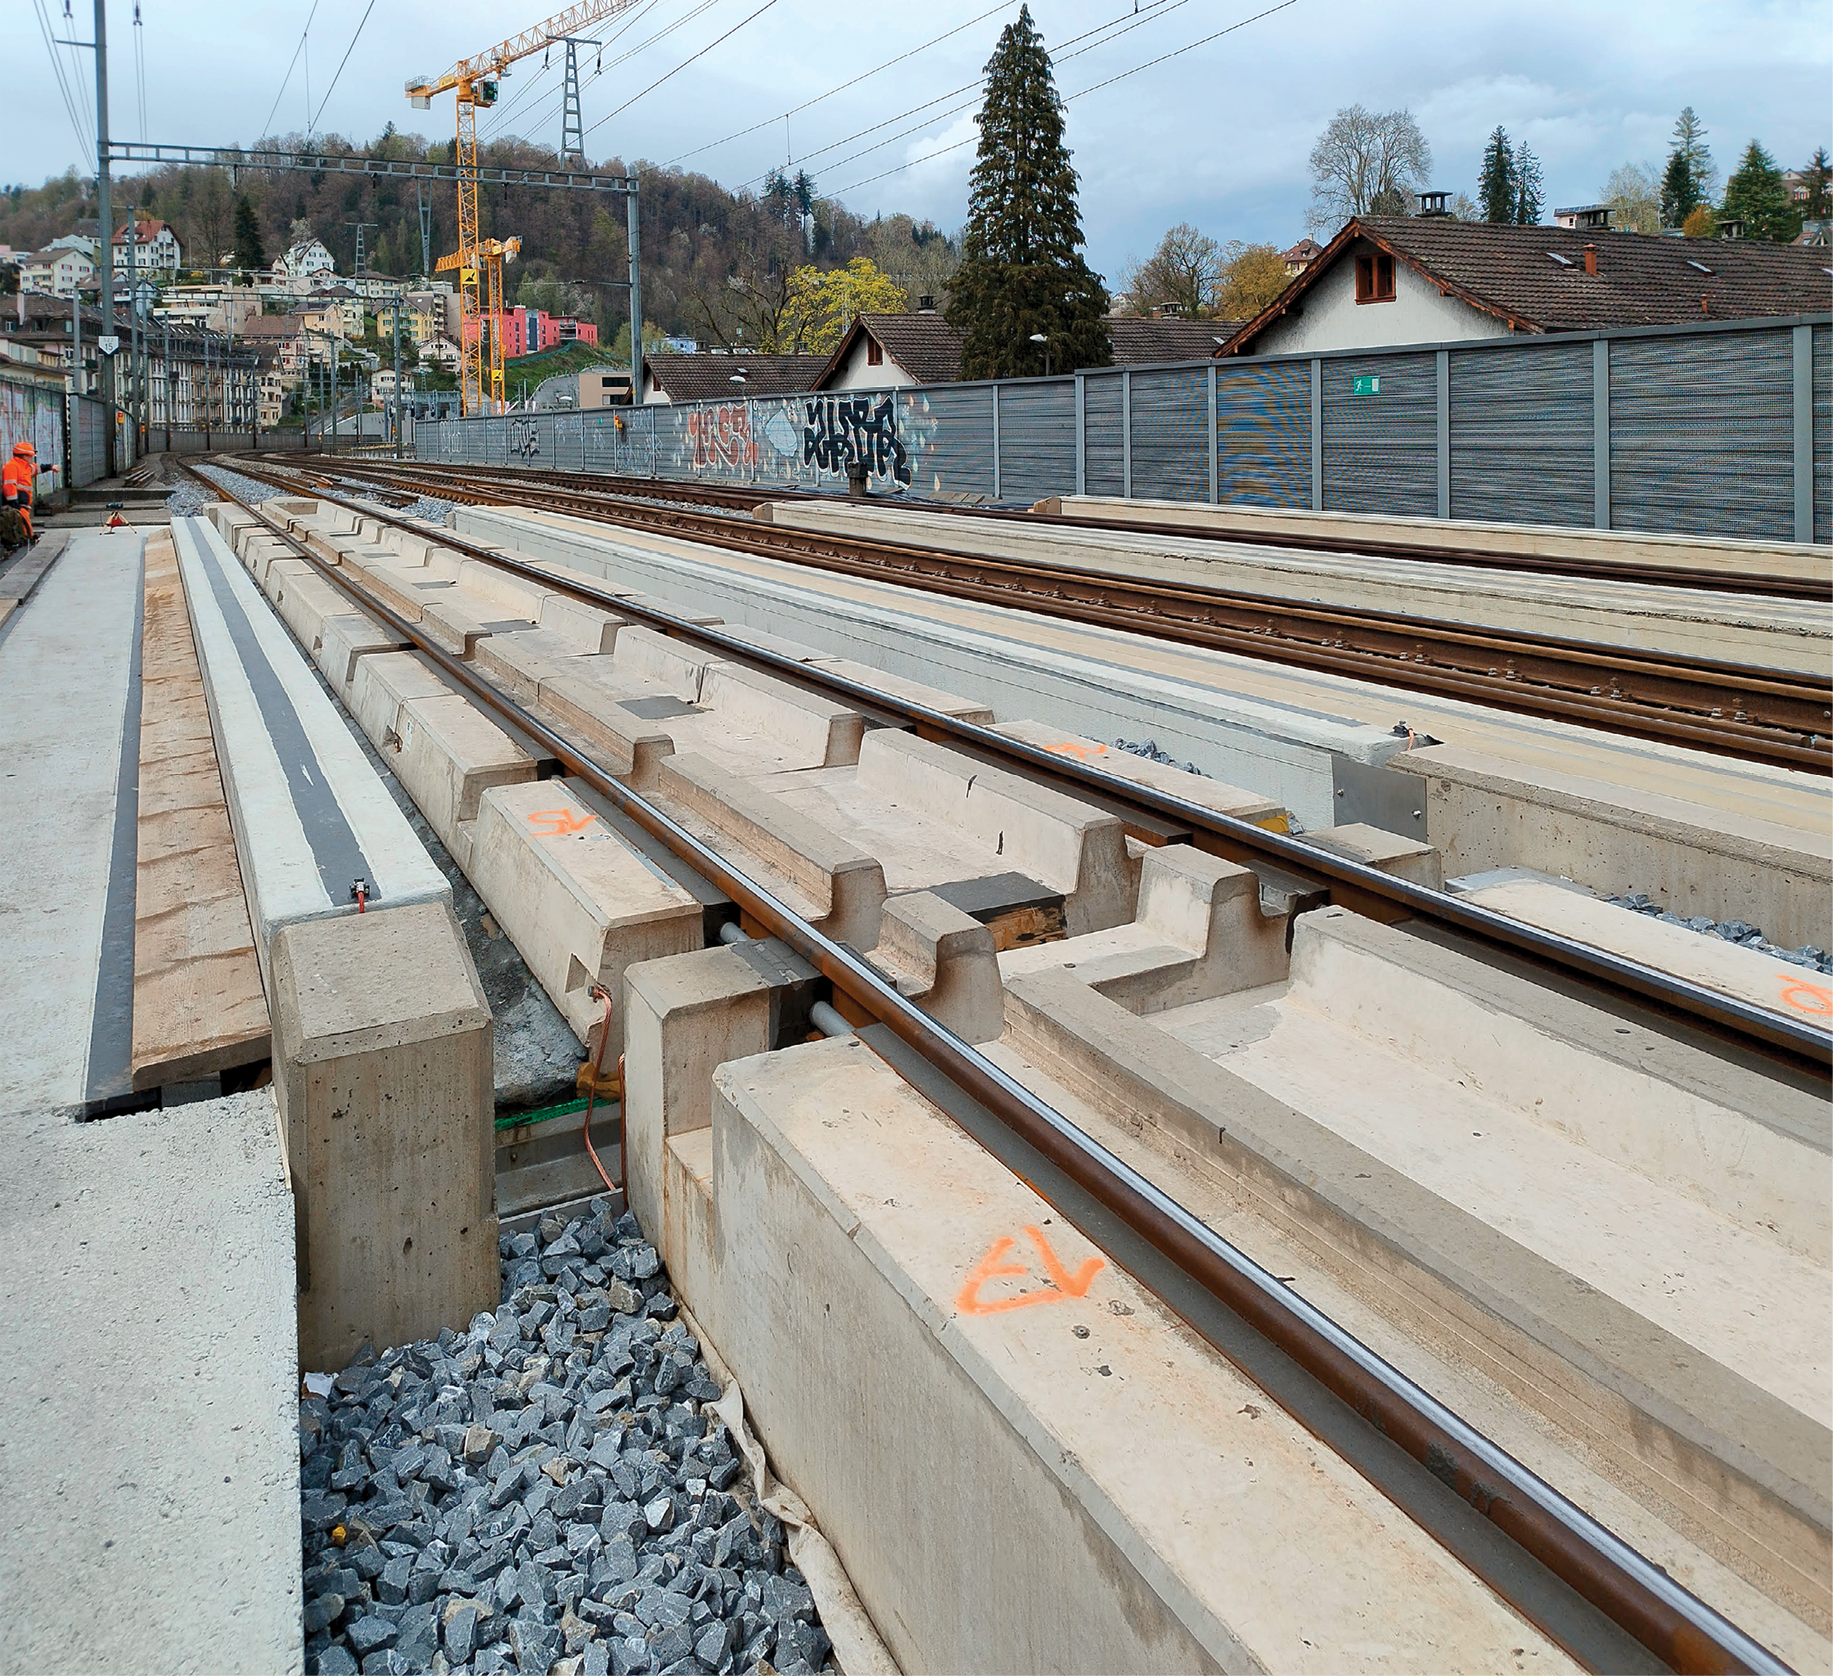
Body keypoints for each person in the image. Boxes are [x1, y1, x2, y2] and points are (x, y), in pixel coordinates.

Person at [0, 441, 36, 550]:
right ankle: (25, 538)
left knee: (22, 520)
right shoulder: (12, 467)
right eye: (30, 456)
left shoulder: (24, 466)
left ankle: (26, 537)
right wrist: (14, 503)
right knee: (21, 520)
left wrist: (50, 467)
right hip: (17, 502)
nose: (31, 458)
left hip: (21, 502)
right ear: (24, 456)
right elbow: (9, 486)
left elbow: (35, 468)